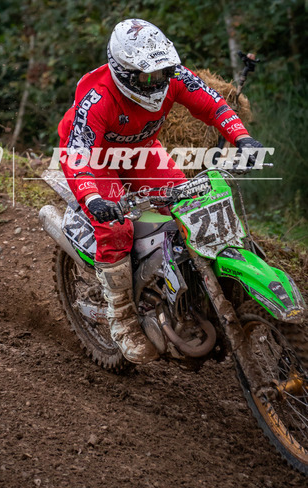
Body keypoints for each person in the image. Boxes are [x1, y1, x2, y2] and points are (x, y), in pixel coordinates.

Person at [58, 18, 262, 365]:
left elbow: (213, 103)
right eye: (147, 76)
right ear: (123, 72)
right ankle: (122, 317)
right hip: (95, 158)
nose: (157, 82)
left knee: (192, 204)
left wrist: (241, 137)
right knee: (116, 227)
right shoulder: (98, 97)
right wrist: (93, 198)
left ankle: (196, 293)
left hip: (141, 152)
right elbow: (78, 154)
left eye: (162, 72)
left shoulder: (173, 75)